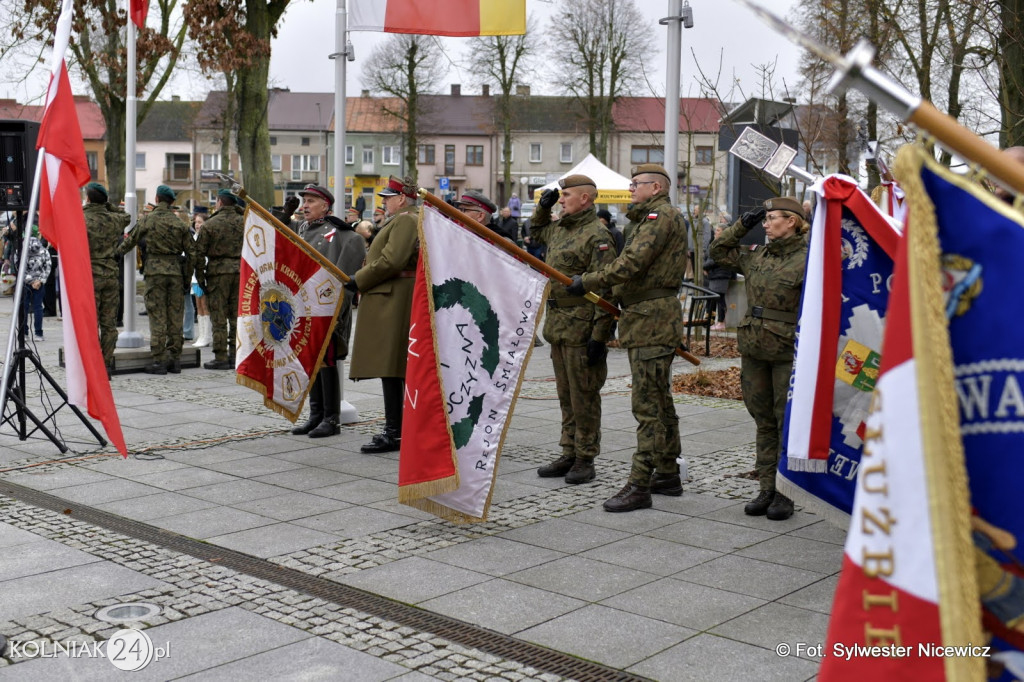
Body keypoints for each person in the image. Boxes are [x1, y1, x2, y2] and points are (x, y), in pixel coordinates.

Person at [567, 164, 689, 512]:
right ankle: (666, 472)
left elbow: (632, 263)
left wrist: (588, 280)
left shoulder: (659, 216)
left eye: (636, 184)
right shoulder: (643, 220)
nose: (631, 188)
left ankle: (639, 483)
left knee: (647, 405)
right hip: (643, 318)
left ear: (656, 187)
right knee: (660, 401)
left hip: (652, 319)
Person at [709, 197, 808, 521]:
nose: (765, 224)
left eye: (771, 218)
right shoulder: (758, 256)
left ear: (791, 221)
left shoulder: (808, 259)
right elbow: (718, 251)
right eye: (763, 219)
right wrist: (742, 224)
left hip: (786, 352)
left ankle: (785, 493)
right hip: (754, 349)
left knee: (784, 422)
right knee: (763, 420)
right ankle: (766, 487)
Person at [530, 175, 616, 484]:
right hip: (558, 326)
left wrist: (599, 336)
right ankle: (568, 451)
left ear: (586, 199)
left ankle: (585, 456)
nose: (561, 199)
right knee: (565, 396)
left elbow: (607, 286)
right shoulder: (559, 229)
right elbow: (536, 232)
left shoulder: (597, 235)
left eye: (566, 195)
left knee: (585, 396)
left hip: (582, 327)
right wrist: (542, 209)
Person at [346, 176, 419, 453]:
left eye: (388, 197)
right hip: (392, 294)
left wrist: (359, 279)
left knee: (393, 368)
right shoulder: (403, 219)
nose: (384, 201)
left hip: (395, 296)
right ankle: (395, 429)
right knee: (392, 369)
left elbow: (392, 260)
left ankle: (395, 432)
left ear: (402, 199)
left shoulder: (406, 220)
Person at [290, 184, 366, 438]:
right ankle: (316, 415)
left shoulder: (342, 234)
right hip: (305, 308)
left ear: (325, 205)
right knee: (312, 359)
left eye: (311, 201)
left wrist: (337, 306)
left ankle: (330, 418)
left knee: (326, 359)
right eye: (305, 201)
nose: (305, 206)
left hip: (326, 308)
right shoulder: (302, 229)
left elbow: (346, 273)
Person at [117, 185, 194, 374]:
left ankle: (159, 360)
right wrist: (188, 277)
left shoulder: (148, 220)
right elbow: (193, 253)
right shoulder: (180, 225)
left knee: (157, 316)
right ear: (172, 202)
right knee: (176, 316)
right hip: (176, 273)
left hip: (154, 273)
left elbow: (129, 241)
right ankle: (175, 359)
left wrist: (114, 254)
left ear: (157, 199)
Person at [195, 189, 245, 370]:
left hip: (217, 273)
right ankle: (235, 355)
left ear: (220, 202)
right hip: (240, 272)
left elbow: (198, 254)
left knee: (218, 316)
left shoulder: (210, 224)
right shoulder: (244, 221)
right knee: (236, 316)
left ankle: (221, 356)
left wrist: (200, 279)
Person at [83, 182, 130, 372]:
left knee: (90, 323)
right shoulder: (114, 219)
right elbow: (126, 216)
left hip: (89, 276)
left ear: (87, 198)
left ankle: (93, 365)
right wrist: (107, 205)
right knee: (109, 324)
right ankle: (106, 363)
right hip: (110, 275)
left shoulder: (81, 218)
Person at [20, 222, 51, 341]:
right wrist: (40, 280)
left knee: (24, 308)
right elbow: (47, 266)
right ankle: (39, 333)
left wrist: (29, 280)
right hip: (39, 283)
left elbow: (20, 267)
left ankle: (25, 333)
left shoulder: (22, 249)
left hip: (26, 283)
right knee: (38, 307)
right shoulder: (43, 250)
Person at [704, 223, 737, 331]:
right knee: (711, 299)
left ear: (723, 232)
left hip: (721, 274)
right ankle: (710, 320)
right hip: (714, 274)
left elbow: (717, 259)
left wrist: (705, 267)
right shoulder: (715, 242)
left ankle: (721, 322)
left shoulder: (724, 244)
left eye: (718, 230)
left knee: (719, 299)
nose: (715, 232)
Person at [190, 208, 212, 347]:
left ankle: (207, 336)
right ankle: (202, 335)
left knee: (205, 305)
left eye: (200, 222)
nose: (197, 224)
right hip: (194, 276)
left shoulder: (207, 238)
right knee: (198, 306)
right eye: (196, 222)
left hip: (203, 276)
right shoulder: (193, 237)